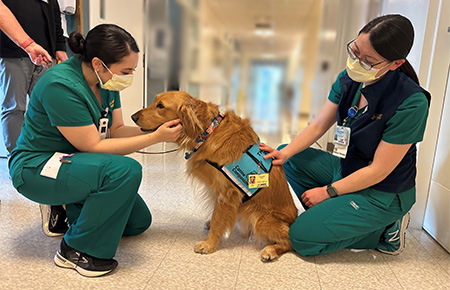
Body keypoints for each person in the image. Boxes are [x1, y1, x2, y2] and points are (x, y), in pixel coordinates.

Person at [8, 23, 182, 277]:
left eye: (132, 69)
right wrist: (155, 138)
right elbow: (94, 145)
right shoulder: (60, 85)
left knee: (137, 222)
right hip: (38, 166)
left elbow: (117, 130)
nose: (130, 76)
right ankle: (76, 251)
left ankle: (67, 205)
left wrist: (162, 132)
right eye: (126, 70)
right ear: (99, 64)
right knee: (124, 171)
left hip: (77, 161)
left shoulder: (107, 83)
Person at [260, 14, 430, 257]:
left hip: (381, 191)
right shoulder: (351, 78)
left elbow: (379, 171)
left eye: (368, 60)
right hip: (347, 169)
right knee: (291, 157)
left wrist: (327, 191)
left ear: (395, 63)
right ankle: (336, 215)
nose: (356, 62)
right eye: (355, 52)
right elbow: (319, 125)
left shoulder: (411, 102)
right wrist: (283, 153)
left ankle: (386, 230)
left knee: (299, 237)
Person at [0, 0, 70, 238]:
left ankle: (44, 157)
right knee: (14, 108)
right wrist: (27, 45)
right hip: (13, 53)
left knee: (46, 109)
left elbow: (56, 19)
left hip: (45, 55)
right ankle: (16, 160)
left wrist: (59, 47)